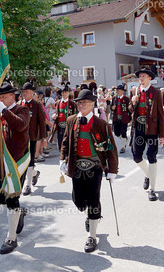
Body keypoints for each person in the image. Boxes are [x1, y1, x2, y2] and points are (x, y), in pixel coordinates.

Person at [59, 89, 118, 252]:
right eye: (79, 102)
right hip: (76, 166)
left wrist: (112, 170)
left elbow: (111, 148)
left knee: (93, 199)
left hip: (95, 167)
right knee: (78, 201)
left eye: (84, 102)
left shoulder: (102, 124)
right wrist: (62, 159)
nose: (81, 105)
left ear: (92, 104)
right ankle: (90, 216)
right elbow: (65, 142)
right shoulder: (71, 120)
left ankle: (92, 235)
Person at [0, 82, 31, 254]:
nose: (1, 99)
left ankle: (11, 238)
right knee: (0, 198)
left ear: (13, 96)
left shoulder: (22, 110)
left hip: (15, 162)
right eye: (0, 97)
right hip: (0, 162)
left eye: (4, 96)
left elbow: (20, 125)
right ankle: (19, 213)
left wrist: (4, 111)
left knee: (12, 198)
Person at [130, 68, 164, 201]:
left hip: (152, 129)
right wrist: (133, 102)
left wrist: (162, 135)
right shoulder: (134, 91)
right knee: (136, 156)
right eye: (140, 76)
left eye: (143, 76)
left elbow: (161, 114)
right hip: (138, 128)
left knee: (151, 156)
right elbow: (130, 109)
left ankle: (152, 189)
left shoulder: (156, 92)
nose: (141, 78)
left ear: (149, 78)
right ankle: (148, 175)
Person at [20, 82, 46, 196]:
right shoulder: (20, 104)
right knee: (22, 161)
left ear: (32, 93)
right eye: (23, 92)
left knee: (30, 160)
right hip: (21, 138)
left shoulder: (36, 105)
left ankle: (28, 185)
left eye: (27, 92)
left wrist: (44, 138)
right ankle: (34, 173)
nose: (24, 93)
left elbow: (42, 122)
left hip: (32, 137)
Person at [51, 85, 78, 151]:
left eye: (65, 92)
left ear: (68, 93)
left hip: (68, 126)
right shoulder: (57, 103)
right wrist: (54, 115)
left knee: (68, 143)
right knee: (60, 143)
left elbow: (76, 116)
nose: (64, 94)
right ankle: (61, 155)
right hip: (60, 126)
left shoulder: (72, 104)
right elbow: (56, 112)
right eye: (63, 92)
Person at [110, 84, 132, 154]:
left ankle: (123, 146)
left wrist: (130, 117)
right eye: (117, 90)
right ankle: (124, 139)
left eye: (119, 90)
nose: (117, 92)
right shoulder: (114, 98)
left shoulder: (126, 99)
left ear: (122, 91)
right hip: (116, 118)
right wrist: (112, 108)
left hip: (124, 119)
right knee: (116, 133)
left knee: (123, 132)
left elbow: (129, 109)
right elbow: (111, 106)